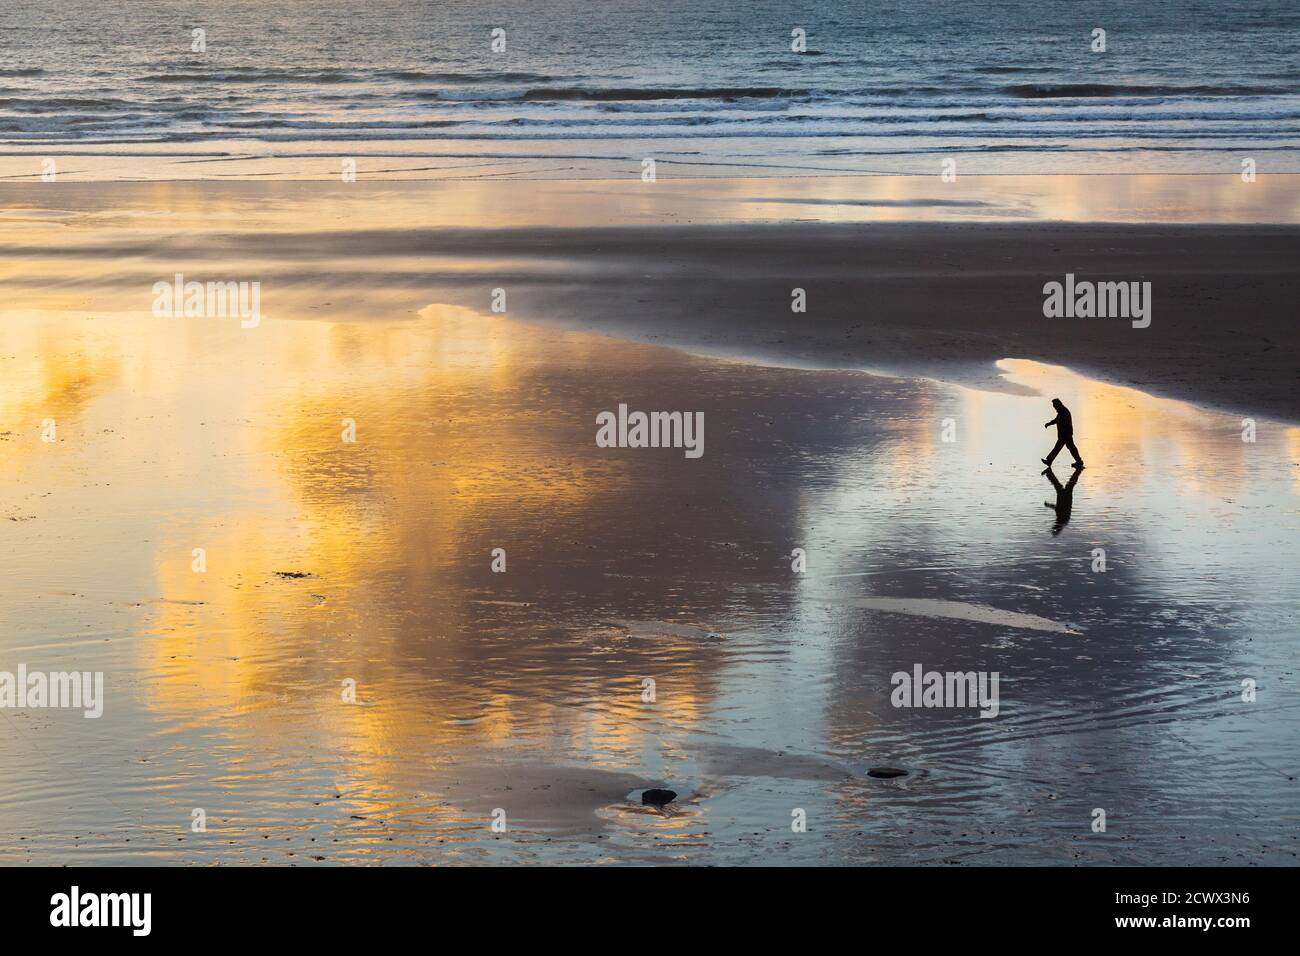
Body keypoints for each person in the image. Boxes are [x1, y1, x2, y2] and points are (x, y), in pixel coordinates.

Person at [1042, 398, 1084, 469]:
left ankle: (1049, 461)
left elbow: (1062, 423)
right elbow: (1056, 420)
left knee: (1059, 448)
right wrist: (1049, 423)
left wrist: (1063, 437)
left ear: (1058, 405)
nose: (1055, 409)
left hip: (1065, 435)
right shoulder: (1061, 411)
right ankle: (1079, 461)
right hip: (1065, 434)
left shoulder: (1064, 413)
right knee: (1071, 448)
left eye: (1055, 407)